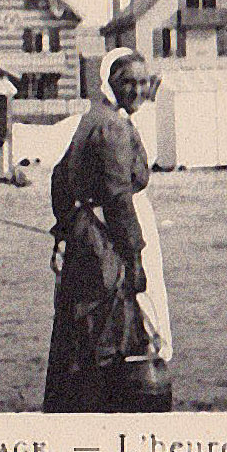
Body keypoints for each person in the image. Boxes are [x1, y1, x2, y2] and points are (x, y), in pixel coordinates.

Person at [44, 49, 173, 412]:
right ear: (110, 82)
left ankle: (73, 408)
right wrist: (134, 258)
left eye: (143, 82)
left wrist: (67, 227)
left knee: (82, 331)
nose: (137, 89)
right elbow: (117, 197)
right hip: (108, 239)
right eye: (127, 81)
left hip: (90, 233)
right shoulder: (112, 127)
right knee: (109, 329)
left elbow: (59, 177)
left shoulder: (95, 117)